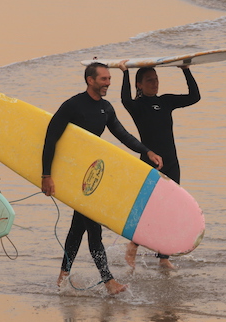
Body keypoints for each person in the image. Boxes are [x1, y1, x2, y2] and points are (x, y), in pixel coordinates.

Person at [42, 62, 162, 295]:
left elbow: (122, 134)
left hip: (91, 176)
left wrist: (146, 151)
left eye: (109, 79)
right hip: (73, 174)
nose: (108, 83)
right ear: (90, 80)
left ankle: (63, 276)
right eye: (104, 79)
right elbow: (50, 139)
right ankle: (108, 281)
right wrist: (46, 175)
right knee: (93, 227)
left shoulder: (105, 108)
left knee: (78, 228)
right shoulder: (72, 106)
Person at [119, 60, 201, 269]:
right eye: (149, 80)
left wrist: (185, 70)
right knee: (148, 207)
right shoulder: (137, 107)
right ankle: (134, 245)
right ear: (139, 84)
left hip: (172, 162)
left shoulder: (166, 101)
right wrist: (125, 72)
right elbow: (124, 99)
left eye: (156, 80)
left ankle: (163, 257)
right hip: (149, 162)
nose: (154, 84)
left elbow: (195, 97)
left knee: (170, 208)